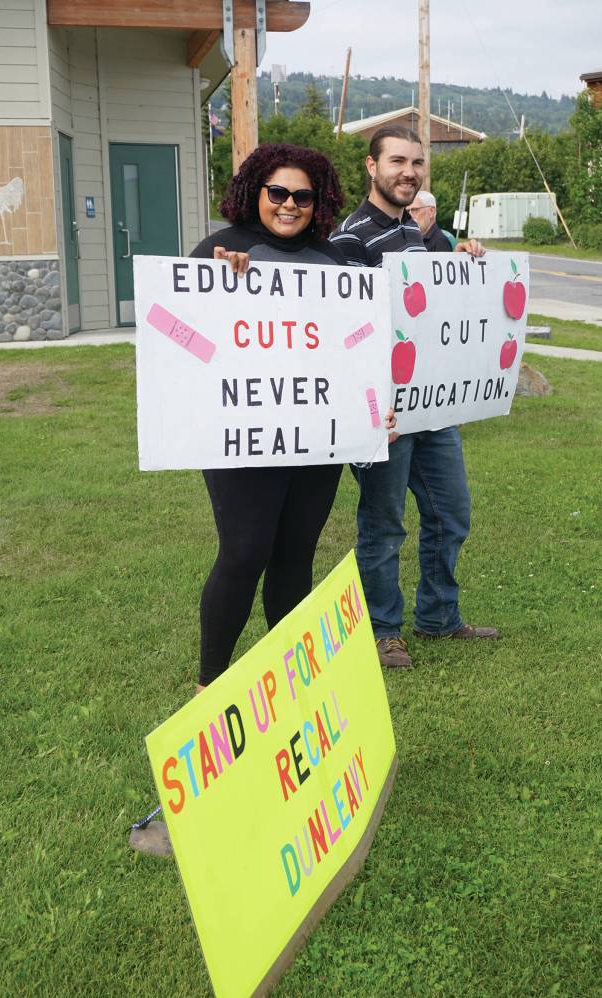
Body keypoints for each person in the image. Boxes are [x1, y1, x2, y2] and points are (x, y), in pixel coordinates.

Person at [190, 143, 397, 690]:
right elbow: (182, 339)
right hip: (243, 433)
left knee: (295, 556)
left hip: (315, 438)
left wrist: (374, 412)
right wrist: (218, 287)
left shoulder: (333, 261)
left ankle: (293, 684)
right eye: (277, 192)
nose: (289, 205)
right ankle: (211, 681)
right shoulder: (217, 251)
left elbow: (357, 348)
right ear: (255, 191)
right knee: (244, 551)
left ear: (319, 201)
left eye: (302, 196)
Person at [330, 127, 498, 669]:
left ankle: (438, 617)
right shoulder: (349, 240)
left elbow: (438, 308)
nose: (409, 171)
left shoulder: (419, 234)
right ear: (370, 166)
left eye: (417, 163)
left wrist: (465, 256)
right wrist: (372, 406)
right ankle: (382, 631)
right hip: (386, 414)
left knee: (451, 513)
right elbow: (346, 333)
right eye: (397, 161)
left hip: (433, 407)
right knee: (383, 524)